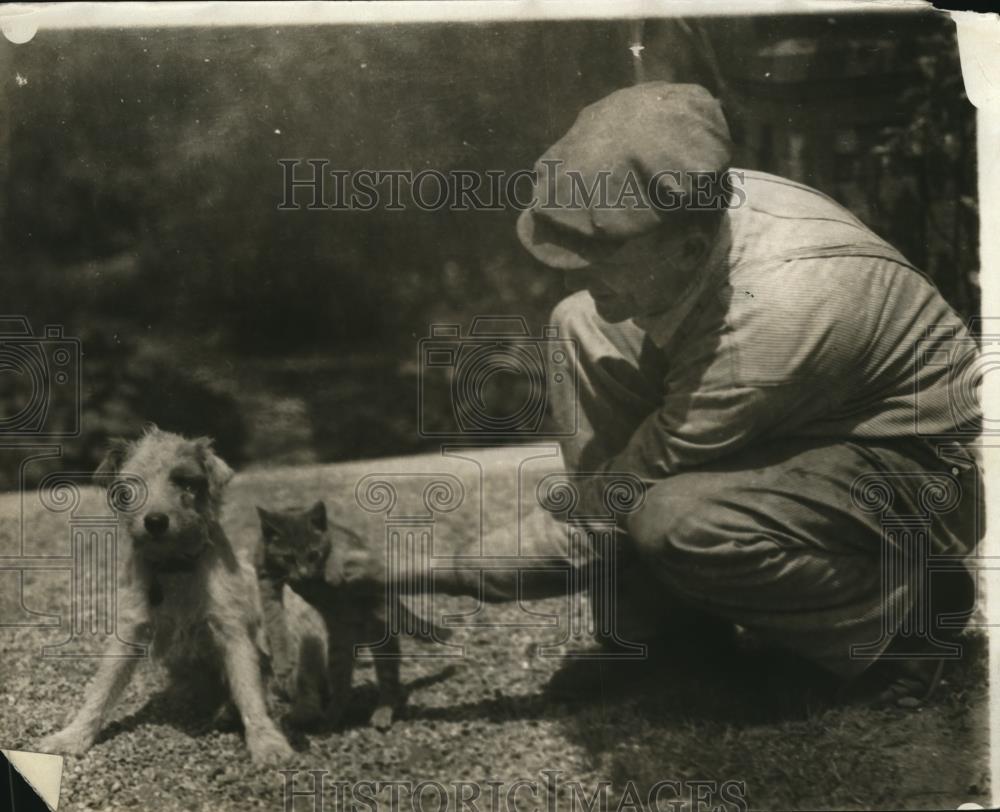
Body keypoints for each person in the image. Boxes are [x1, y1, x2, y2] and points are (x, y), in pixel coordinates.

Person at [350, 82, 982, 706]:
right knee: (581, 323)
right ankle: (662, 636)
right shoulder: (706, 206)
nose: (579, 273)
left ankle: (903, 616)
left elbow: (600, 517)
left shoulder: (770, 314)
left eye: (602, 257)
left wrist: (401, 569)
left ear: (686, 249)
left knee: (674, 522)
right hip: (809, 414)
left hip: (909, 472)